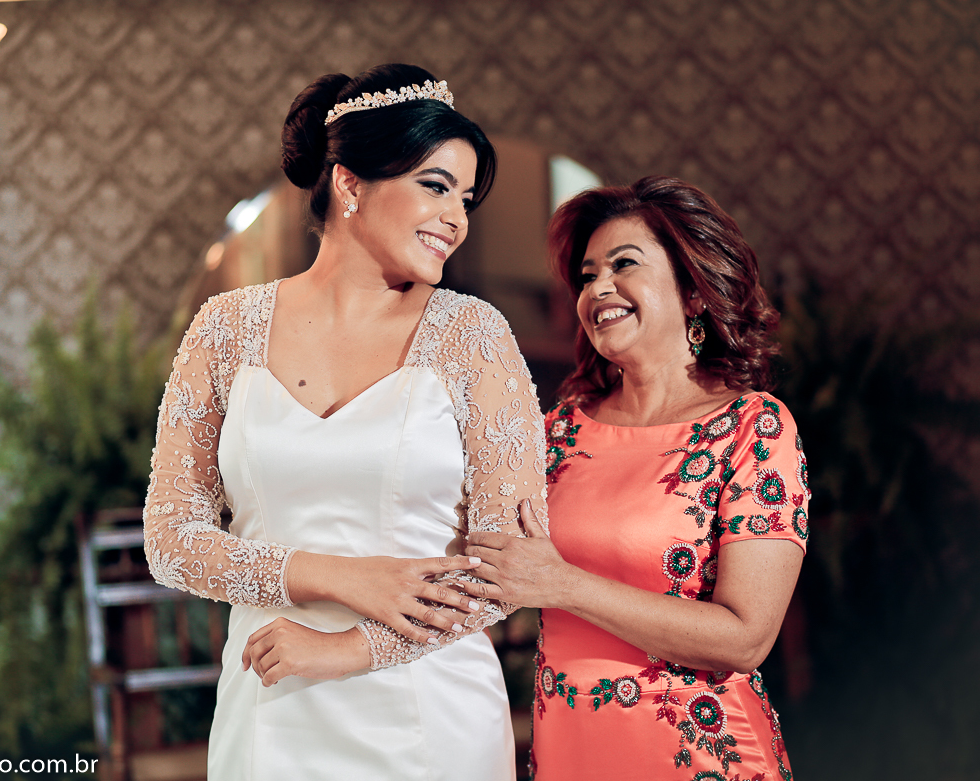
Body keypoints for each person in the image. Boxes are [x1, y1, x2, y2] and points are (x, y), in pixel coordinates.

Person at [142, 63, 547, 781]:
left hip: (431, 712)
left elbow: (508, 565)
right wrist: (339, 577)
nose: (456, 218)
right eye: (435, 186)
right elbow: (171, 540)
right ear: (350, 183)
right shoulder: (224, 329)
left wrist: (348, 649)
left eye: (465, 198)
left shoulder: (474, 337)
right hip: (272, 699)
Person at [460, 177, 806, 780]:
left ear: (693, 293)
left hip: (702, 759)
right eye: (588, 274)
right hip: (570, 756)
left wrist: (563, 585)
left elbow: (745, 638)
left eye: (624, 264)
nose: (598, 288)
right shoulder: (556, 432)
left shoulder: (752, 426)